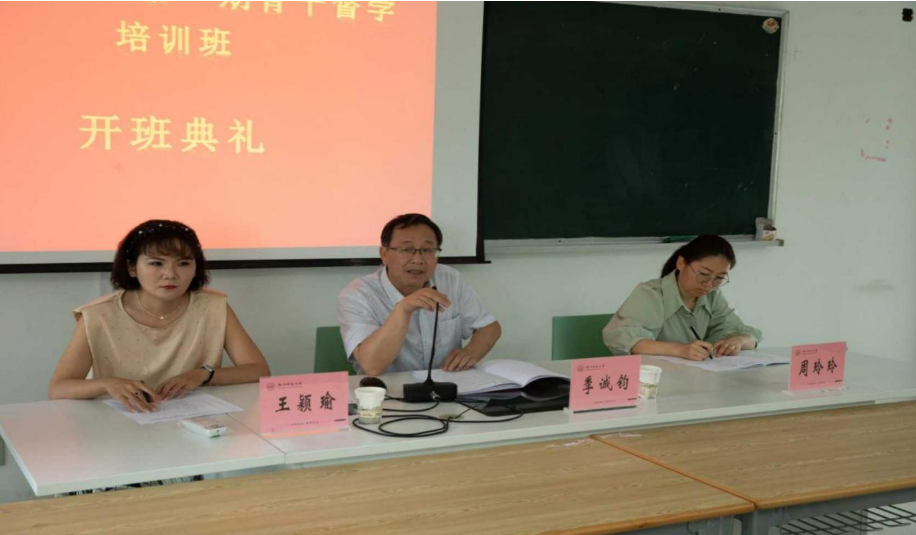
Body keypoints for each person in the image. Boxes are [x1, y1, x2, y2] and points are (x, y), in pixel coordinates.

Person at [49, 220, 270, 412]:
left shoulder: (213, 306)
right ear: (132, 268)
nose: (171, 274)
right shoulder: (98, 315)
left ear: (196, 268)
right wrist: (107, 384)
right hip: (118, 421)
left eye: (183, 263)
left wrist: (202, 375)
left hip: (192, 418)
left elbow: (258, 371)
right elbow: (58, 387)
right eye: (156, 263)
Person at [338, 213, 501, 376]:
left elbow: (489, 327)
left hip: (446, 384)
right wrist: (403, 309)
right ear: (384, 254)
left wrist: (471, 352)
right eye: (406, 249)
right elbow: (372, 366)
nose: (418, 259)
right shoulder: (357, 294)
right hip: (386, 389)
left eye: (427, 250)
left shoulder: (450, 279)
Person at [603, 235, 762, 361]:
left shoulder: (712, 296)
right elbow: (623, 339)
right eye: (704, 274)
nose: (709, 284)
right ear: (681, 263)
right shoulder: (651, 293)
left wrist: (738, 341)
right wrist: (680, 350)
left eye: (719, 278)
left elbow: (750, 336)